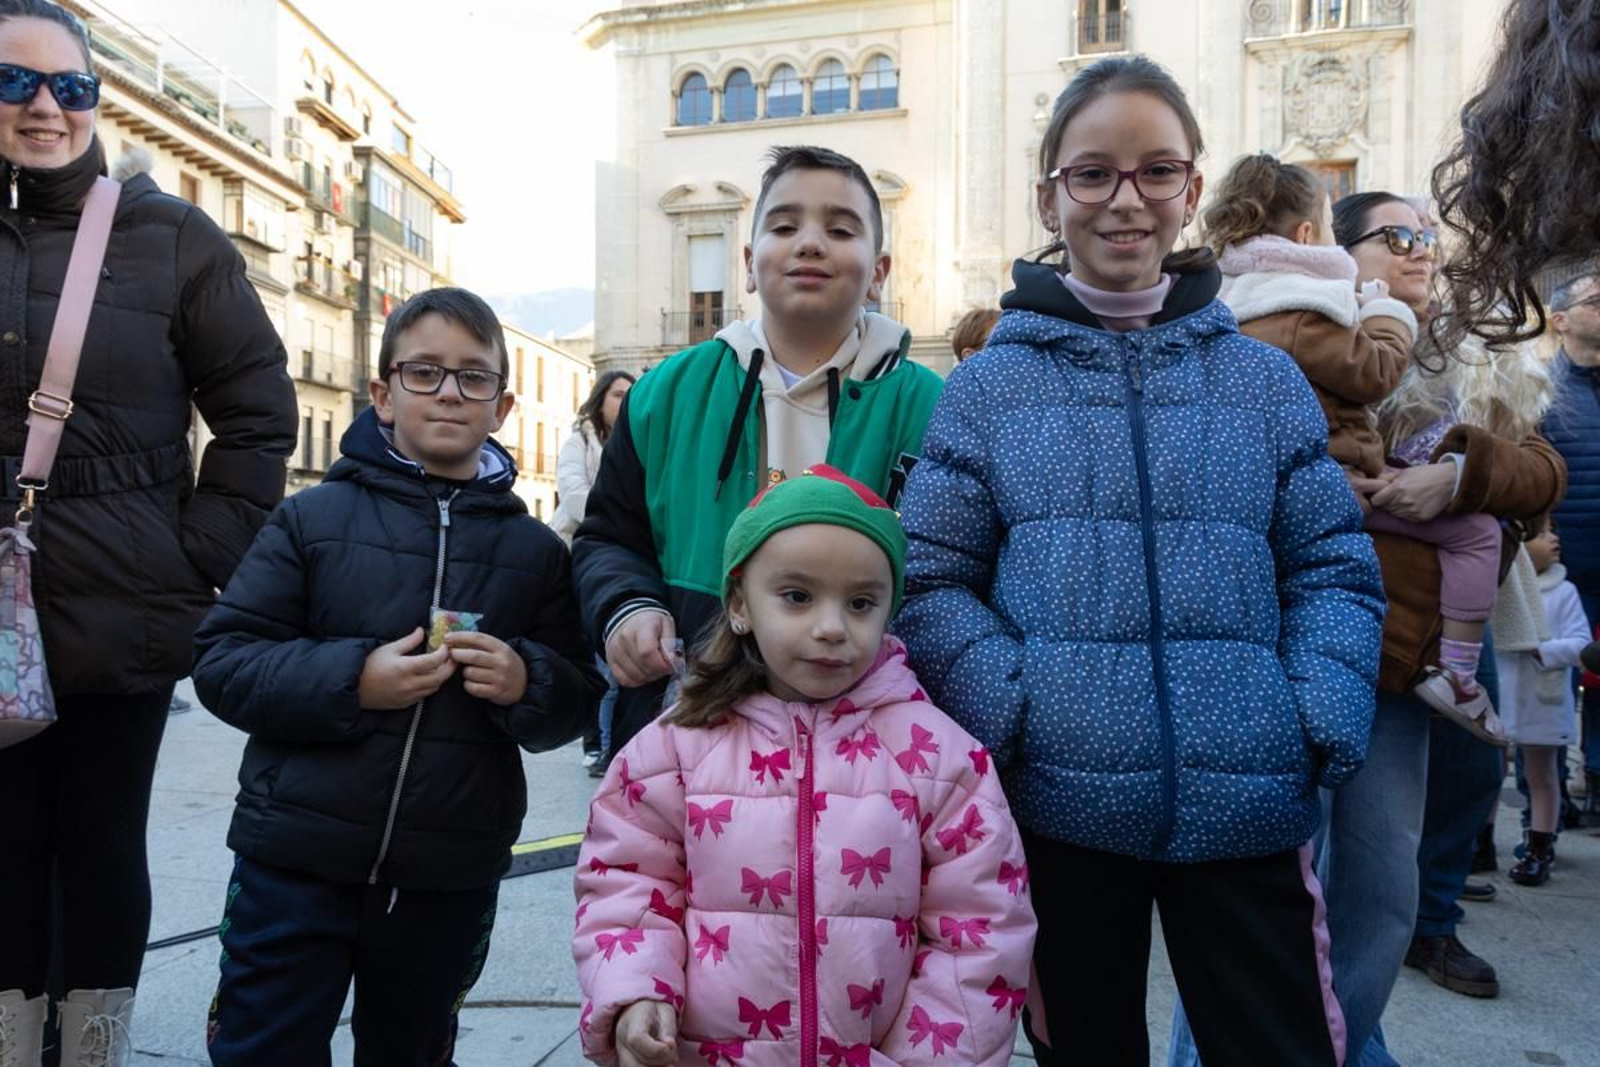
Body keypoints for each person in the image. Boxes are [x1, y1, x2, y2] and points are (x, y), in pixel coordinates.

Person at [895, 55, 1384, 1066]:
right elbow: (930, 578)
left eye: (1156, 170)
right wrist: (1016, 703)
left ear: (1192, 190)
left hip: (1249, 801)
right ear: (1050, 194)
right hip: (1059, 811)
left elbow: (1331, 564)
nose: (1126, 199)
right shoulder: (986, 391)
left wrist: (1306, 712)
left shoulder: (1265, 382)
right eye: (1093, 173)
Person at [193, 288, 603, 1066]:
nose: (450, 391)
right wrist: (356, 678)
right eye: (425, 372)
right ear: (382, 394)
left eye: (473, 377)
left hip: (445, 870)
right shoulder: (311, 520)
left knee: (412, 1049)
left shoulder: (535, 552)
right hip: (294, 859)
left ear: (503, 405)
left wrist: (526, 681)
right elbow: (223, 661)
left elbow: (578, 698)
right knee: (263, 1045)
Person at [0, 1, 297, 1061]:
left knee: (97, 843)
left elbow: (259, 410)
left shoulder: (166, 234)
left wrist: (197, 556)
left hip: (119, 607)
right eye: (15, 82)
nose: (45, 105)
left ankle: (87, 1048)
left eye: (70, 87)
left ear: (95, 100)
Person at [573, 466, 1035, 1066]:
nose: (830, 627)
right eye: (797, 596)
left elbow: (979, 931)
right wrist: (636, 991)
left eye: (861, 602)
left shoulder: (943, 763)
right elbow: (626, 883)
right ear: (740, 603)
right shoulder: (674, 751)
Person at [573, 144, 943, 760]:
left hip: (876, 749)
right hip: (689, 730)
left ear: (879, 270)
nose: (810, 242)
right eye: (784, 224)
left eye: (841, 228)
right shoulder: (664, 396)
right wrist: (626, 608)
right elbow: (610, 537)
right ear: (747, 263)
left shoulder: (934, 410)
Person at [1206, 159, 1506, 742]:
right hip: (1349, 598)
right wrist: (1389, 315)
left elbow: (1540, 466)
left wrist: (1459, 474)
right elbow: (1373, 375)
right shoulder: (1313, 310)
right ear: (1318, 238)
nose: (1421, 251)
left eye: (1427, 238)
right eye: (1399, 237)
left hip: (1381, 619)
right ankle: (1460, 674)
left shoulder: (1240, 301)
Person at [1495, 520, 1591, 885]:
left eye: (1552, 532)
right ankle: (1482, 841)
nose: (1554, 538)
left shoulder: (1563, 591)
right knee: (1491, 772)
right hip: (1504, 694)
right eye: (1540, 533)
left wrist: (1541, 651)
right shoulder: (1502, 587)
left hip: (1541, 696)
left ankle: (1539, 846)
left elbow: (1580, 642)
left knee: (1543, 774)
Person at [552, 369, 635, 774]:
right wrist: (618, 521)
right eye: (618, 394)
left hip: (628, 555)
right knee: (598, 659)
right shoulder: (580, 441)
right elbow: (572, 494)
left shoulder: (642, 438)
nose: (626, 400)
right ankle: (599, 742)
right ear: (601, 400)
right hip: (583, 554)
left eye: (631, 394)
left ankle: (603, 743)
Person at [1541, 272, 1600, 821]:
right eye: (1597, 301)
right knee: (1555, 676)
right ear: (1560, 321)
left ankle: (1598, 779)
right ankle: (1551, 798)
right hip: (1564, 561)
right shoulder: (1540, 386)